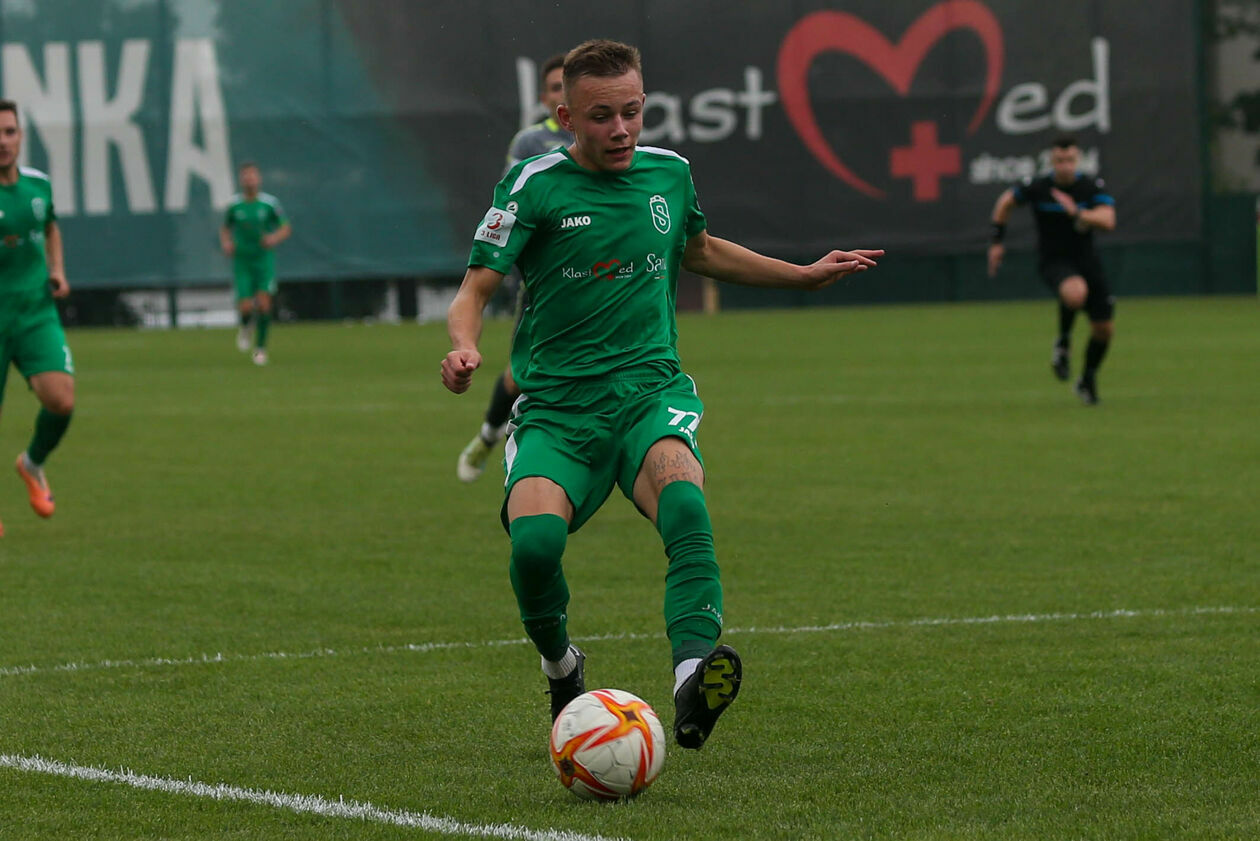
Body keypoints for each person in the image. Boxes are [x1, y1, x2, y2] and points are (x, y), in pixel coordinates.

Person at [441, 39, 882, 749]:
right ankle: (562, 667)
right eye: (602, 116)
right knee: (535, 547)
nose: (621, 129)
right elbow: (475, 289)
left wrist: (801, 275)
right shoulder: (532, 184)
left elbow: (700, 249)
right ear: (566, 118)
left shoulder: (669, 174)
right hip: (557, 409)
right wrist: (464, 345)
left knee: (684, 502)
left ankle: (690, 678)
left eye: (633, 111)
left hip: (648, 392)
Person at [457, 53, 572, 482]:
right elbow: (512, 203)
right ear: (544, 98)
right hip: (545, 283)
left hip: (601, 279)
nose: (564, 94)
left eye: (569, 84)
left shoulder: (610, 141)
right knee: (522, 374)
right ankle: (491, 435)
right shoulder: (531, 143)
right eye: (556, 87)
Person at [988, 136, 1117, 405]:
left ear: (1077, 160)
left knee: (1104, 330)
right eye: (1059, 160)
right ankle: (1063, 343)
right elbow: (1005, 203)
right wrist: (997, 242)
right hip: (1054, 260)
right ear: (1051, 161)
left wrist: (1078, 213)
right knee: (1075, 293)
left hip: (1088, 261)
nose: (1065, 166)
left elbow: (1108, 220)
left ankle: (1087, 380)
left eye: (1070, 160)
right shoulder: (1039, 187)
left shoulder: (1089, 187)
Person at [0, 99, 75, 536]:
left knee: (61, 401)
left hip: (34, 312)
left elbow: (50, 227)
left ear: (20, 136)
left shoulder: (38, 185)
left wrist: (57, 269)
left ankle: (31, 464)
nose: (2, 141)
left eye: (9, 131)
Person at [220, 162, 291, 366]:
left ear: (258, 179)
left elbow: (285, 228)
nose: (249, 180)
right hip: (242, 260)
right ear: (241, 180)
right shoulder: (234, 205)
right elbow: (225, 228)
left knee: (264, 303)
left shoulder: (269, 203)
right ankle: (245, 326)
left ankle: (260, 349)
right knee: (245, 307)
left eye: (252, 176)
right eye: (246, 176)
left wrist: (273, 238)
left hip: (263, 260)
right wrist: (226, 243)